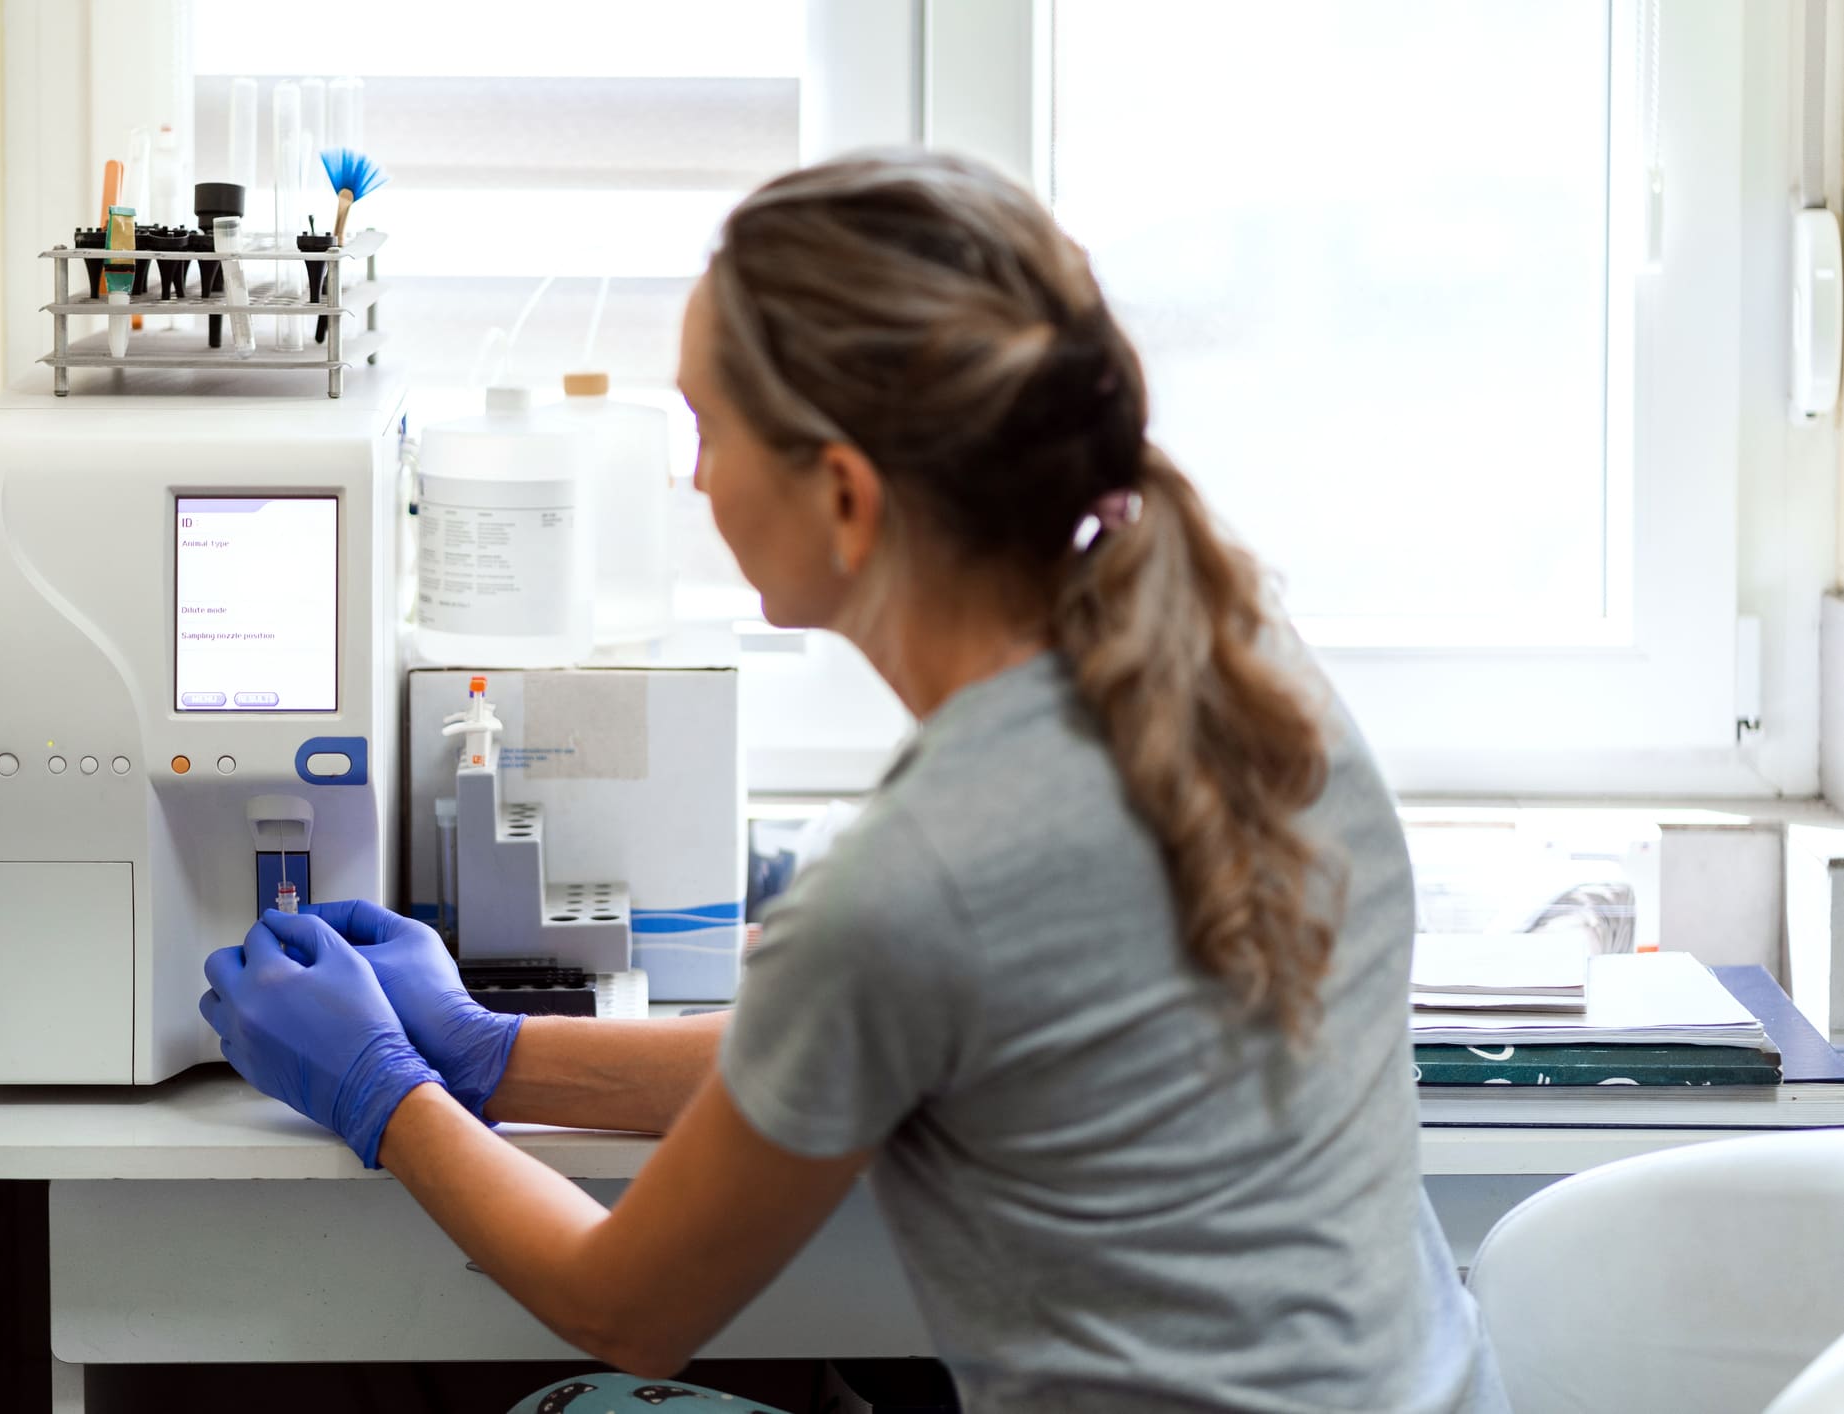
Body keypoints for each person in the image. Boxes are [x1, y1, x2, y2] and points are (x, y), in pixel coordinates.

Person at [198, 149, 1509, 1414]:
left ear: (841, 494)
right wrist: (494, 1053)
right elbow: (865, 1040)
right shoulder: (1238, 663)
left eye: (706, 427)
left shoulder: (913, 878)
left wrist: (386, 1093)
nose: (692, 475)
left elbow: (627, 1305)